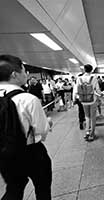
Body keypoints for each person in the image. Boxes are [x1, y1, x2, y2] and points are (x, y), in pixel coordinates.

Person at [0, 54, 53, 200]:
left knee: (14, 189)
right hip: (31, 152)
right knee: (42, 188)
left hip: (5, 154)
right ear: (14, 74)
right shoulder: (28, 99)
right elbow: (41, 131)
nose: (26, 74)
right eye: (24, 71)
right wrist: (48, 122)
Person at [74, 64, 101, 141]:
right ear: (91, 70)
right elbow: (97, 89)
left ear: (84, 70)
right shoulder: (94, 78)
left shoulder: (79, 78)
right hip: (92, 100)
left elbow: (77, 90)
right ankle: (92, 134)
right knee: (93, 117)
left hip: (83, 101)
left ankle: (87, 132)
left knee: (87, 116)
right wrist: (101, 94)